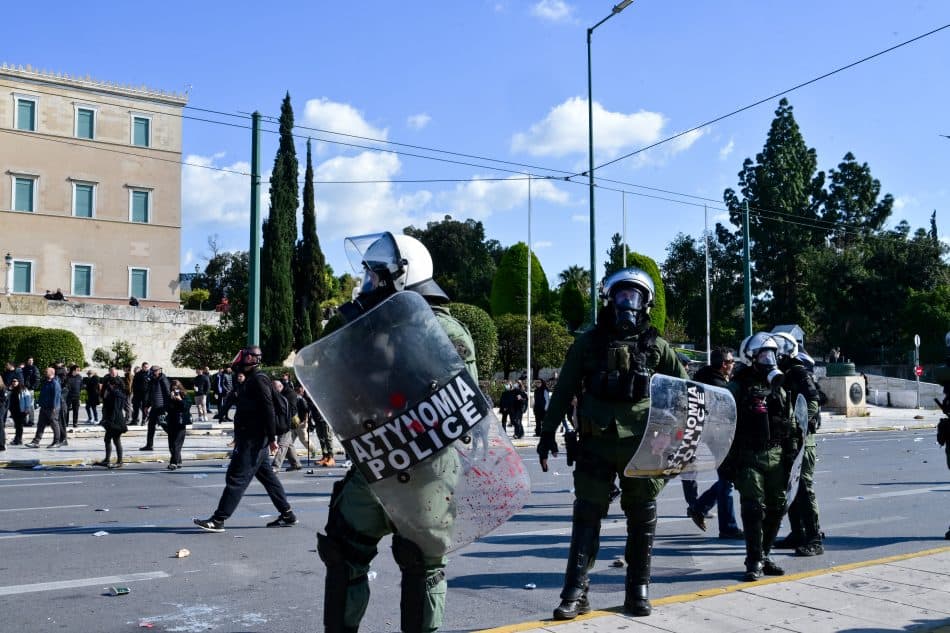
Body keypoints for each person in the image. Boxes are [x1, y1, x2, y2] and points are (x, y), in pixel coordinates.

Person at [313, 232, 478, 633]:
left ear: (402, 275)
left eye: (374, 276)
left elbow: (462, 409)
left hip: (426, 469)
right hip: (376, 461)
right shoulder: (369, 328)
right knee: (342, 551)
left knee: (421, 563)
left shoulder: (445, 331)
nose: (367, 284)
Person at [537, 267, 688, 619]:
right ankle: (575, 590)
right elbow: (564, 389)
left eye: (634, 296)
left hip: (643, 446)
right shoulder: (588, 343)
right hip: (596, 442)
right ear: (610, 299)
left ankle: (638, 588)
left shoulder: (657, 347)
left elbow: (686, 393)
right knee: (587, 515)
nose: (627, 303)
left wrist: (675, 436)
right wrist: (547, 433)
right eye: (621, 295)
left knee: (642, 515)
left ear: (645, 303)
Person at [194, 346, 296, 533]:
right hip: (251, 437)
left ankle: (218, 519)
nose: (238, 360)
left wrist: (271, 437)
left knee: (237, 478)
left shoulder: (258, 379)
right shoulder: (249, 380)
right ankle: (287, 514)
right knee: (268, 478)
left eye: (243, 356)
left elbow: (268, 409)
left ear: (250, 359)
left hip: (254, 439)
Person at [721, 332, 794, 581]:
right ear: (751, 358)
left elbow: (790, 416)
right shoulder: (738, 385)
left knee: (778, 506)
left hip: (776, 453)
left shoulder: (778, 385)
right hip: (748, 454)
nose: (768, 359)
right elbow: (722, 415)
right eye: (763, 355)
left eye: (772, 354)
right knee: (753, 507)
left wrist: (792, 443)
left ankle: (765, 554)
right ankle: (753, 560)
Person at [771, 332, 822, 556]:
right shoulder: (782, 373)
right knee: (790, 488)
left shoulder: (798, 372)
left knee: (804, 489)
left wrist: (796, 427)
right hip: (788, 441)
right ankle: (798, 532)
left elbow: (812, 402)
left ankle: (814, 538)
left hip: (802, 441)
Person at [685, 347, 743, 539]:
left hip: (712, 434)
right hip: (719, 436)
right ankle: (727, 527)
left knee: (728, 479)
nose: (733, 364)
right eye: (731, 361)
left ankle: (700, 507)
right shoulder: (718, 385)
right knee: (727, 481)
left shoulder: (705, 377)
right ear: (723, 364)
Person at [270, 378, 302, 472]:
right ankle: (296, 464)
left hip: (288, 423)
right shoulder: (278, 393)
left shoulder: (290, 394)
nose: (273, 390)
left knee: (282, 444)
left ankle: (276, 466)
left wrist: (286, 422)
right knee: (288, 444)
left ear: (280, 386)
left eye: (274, 388)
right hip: (281, 422)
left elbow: (292, 410)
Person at [26, 367, 63, 448]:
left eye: (46, 371)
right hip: (44, 407)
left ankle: (56, 441)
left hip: (52, 408)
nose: (45, 372)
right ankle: (36, 442)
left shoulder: (55, 383)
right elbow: (43, 394)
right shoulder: (46, 382)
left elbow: (56, 396)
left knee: (54, 424)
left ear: (52, 373)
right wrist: (39, 403)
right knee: (40, 425)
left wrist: (54, 407)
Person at [96, 377, 128, 468]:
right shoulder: (116, 393)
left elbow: (115, 409)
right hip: (115, 420)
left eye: (109, 384)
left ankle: (118, 461)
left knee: (115, 440)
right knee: (109, 439)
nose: (108, 386)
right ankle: (109, 459)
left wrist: (110, 421)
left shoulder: (116, 394)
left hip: (116, 421)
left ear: (113, 384)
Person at [140, 365, 170, 451]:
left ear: (159, 371)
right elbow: (150, 394)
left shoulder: (163, 380)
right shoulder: (152, 380)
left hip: (161, 407)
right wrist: (147, 406)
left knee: (164, 424)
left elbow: (167, 394)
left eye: (155, 371)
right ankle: (149, 445)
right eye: (152, 371)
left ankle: (175, 437)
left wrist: (167, 407)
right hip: (154, 407)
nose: (153, 373)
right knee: (151, 426)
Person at [165, 379, 191, 470]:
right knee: (171, 444)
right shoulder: (170, 396)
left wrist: (180, 400)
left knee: (177, 444)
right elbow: (167, 408)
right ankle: (179, 461)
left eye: (176, 388)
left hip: (181, 422)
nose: (175, 390)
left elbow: (186, 407)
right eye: (173, 388)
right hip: (171, 422)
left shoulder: (185, 395)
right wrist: (170, 399)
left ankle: (174, 463)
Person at [8, 376, 31, 445]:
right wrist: (9, 389)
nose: (14, 383)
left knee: (19, 426)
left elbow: (28, 399)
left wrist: (27, 408)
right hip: (13, 410)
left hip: (21, 410)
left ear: (18, 382)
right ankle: (17, 439)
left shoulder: (23, 389)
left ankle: (18, 439)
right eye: (13, 381)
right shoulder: (11, 390)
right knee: (17, 425)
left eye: (15, 381)